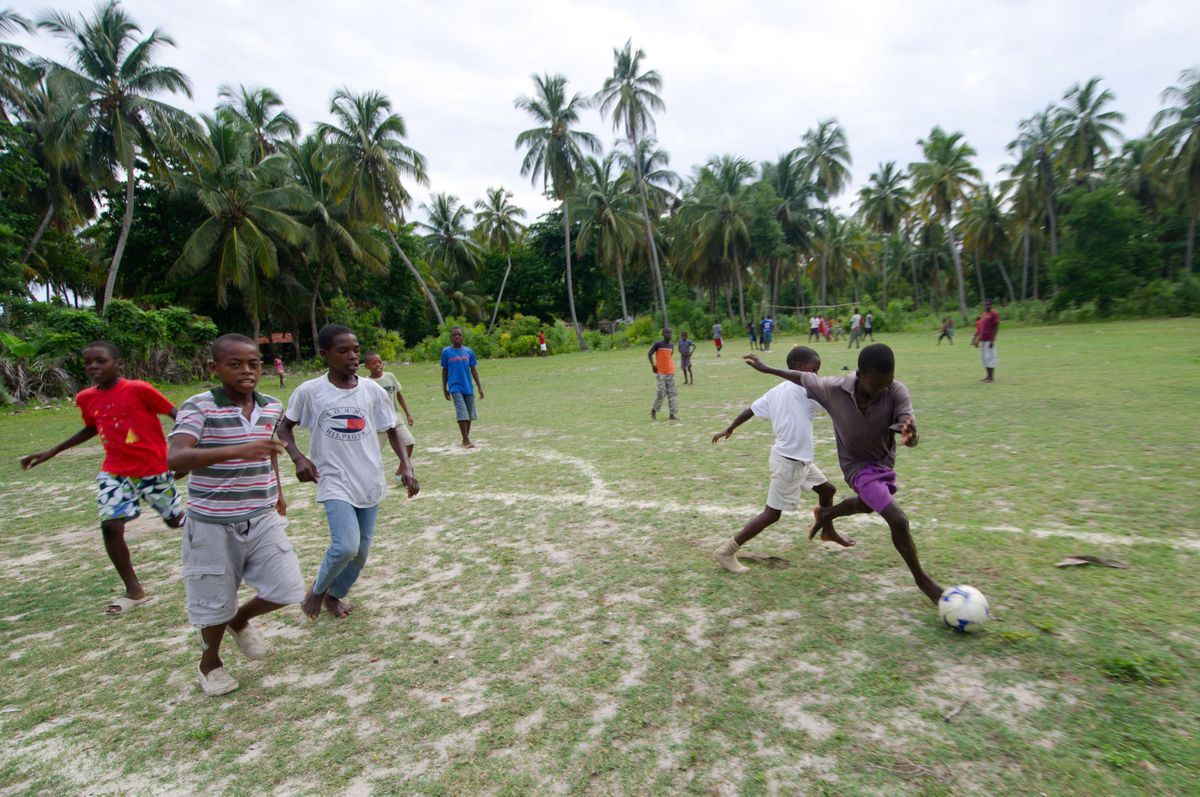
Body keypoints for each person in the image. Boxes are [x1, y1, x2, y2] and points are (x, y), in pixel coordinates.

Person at [743, 344, 944, 605]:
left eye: (887, 383)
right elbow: (801, 377)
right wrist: (766, 368)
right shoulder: (833, 389)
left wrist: (910, 435)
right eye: (877, 385)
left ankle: (827, 514)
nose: (882, 390)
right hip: (856, 467)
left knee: (867, 505)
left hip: (883, 465)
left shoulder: (896, 391)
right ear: (860, 375)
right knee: (897, 519)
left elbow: (908, 428)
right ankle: (923, 581)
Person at [166, 334, 304, 696]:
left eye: (254, 363)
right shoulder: (199, 407)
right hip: (211, 522)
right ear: (214, 368)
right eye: (235, 364)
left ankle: (241, 619)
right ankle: (209, 664)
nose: (247, 371)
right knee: (213, 602)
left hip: (261, 514)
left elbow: (269, 450)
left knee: (288, 587)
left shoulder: (272, 405)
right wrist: (238, 450)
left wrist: (278, 490)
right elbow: (176, 458)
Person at [22, 341, 184, 615]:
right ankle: (134, 590)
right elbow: (90, 428)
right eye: (89, 362)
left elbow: (178, 416)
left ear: (118, 364)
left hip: (154, 470)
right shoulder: (86, 398)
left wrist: (186, 453)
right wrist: (52, 451)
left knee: (175, 521)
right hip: (115, 472)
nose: (94, 366)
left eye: (101, 360)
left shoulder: (139, 390)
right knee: (110, 526)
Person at [278, 325, 419, 623]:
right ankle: (316, 591)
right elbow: (284, 427)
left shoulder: (372, 391)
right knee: (345, 545)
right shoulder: (310, 392)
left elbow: (391, 429)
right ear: (325, 354)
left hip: (369, 479)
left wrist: (406, 465)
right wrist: (298, 457)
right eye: (343, 351)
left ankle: (335, 594)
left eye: (355, 349)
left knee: (361, 551)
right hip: (333, 479)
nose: (352, 356)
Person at [711, 346, 851, 573]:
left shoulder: (778, 391)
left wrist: (730, 428)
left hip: (800, 461)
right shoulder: (808, 391)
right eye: (813, 370)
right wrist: (729, 429)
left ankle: (827, 530)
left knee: (827, 490)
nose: (816, 375)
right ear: (799, 368)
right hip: (788, 463)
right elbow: (752, 410)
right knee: (772, 514)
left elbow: (751, 410)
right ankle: (726, 551)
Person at [364, 352, 416, 463]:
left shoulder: (390, 376)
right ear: (367, 366)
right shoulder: (366, 383)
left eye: (379, 362)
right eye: (373, 363)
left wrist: (408, 414)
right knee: (374, 452)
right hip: (379, 423)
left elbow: (399, 395)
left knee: (410, 442)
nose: (378, 365)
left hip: (396, 418)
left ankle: (403, 468)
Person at [440, 326, 485, 448]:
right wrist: (445, 388)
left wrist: (479, 387)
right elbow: (444, 371)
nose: (457, 337)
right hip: (455, 387)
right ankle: (465, 440)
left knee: (469, 414)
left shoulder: (469, 351)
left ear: (462, 336)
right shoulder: (446, 352)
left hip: (468, 386)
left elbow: (474, 370)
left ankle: (466, 438)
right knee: (462, 412)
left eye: (459, 334)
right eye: (454, 335)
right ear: (451, 337)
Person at [647, 327, 678, 421]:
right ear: (663, 334)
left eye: (670, 333)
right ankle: (654, 411)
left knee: (672, 393)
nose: (669, 335)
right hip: (661, 372)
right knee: (661, 392)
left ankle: (672, 414)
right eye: (667, 333)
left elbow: (669, 356)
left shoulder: (672, 345)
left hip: (671, 372)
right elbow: (649, 354)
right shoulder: (658, 344)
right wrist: (653, 365)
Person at [979, 300, 1000, 382]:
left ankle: (991, 377)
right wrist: (978, 339)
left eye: (987, 305)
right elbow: (981, 328)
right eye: (985, 305)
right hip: (983, 340)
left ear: (991, 305)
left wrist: (992, 339)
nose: (986, 306)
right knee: (984, 358)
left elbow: (996, 327)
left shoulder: (994, 314)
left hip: (989, 340)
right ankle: (987, 376)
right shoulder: (983, 314)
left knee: (990, 357)